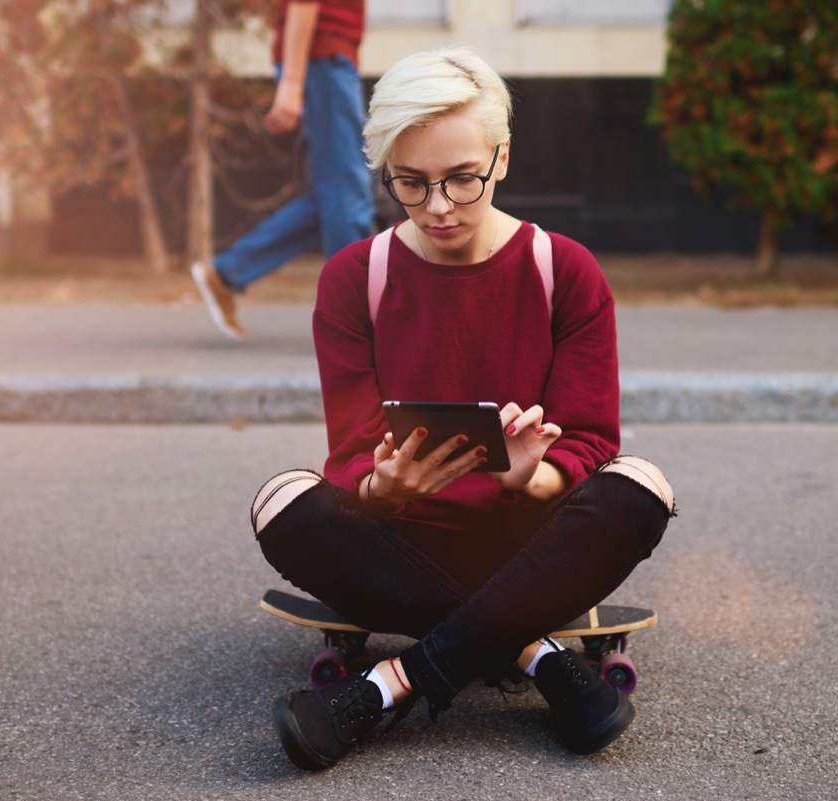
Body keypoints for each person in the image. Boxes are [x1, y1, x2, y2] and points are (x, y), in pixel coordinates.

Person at [249, 47, 676, 771]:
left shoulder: (562, 269)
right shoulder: (357, 278)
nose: (438, 205)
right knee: (281, 498)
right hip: (404, 544)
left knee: (642, 484)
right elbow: (351, 454)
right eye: (410, 184)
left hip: (534, 542)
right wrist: (384, 488)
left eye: (462, 179)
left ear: (502, 159)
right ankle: (533, 649)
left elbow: (592, 440)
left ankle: (391, 683)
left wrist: (532, 478)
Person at [191, 0, 374, 340]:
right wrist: (291, 83)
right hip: (322, 57)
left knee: (332, 196)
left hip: (328, 57)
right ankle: (352, 321)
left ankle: (229, 273)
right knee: (348, 194)